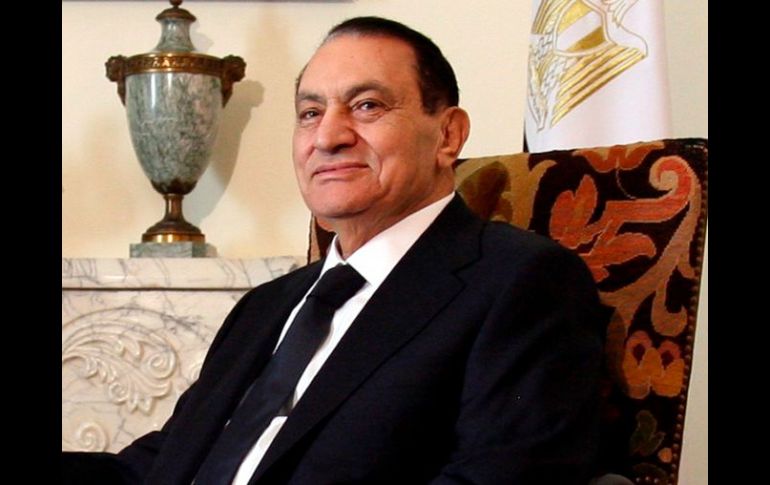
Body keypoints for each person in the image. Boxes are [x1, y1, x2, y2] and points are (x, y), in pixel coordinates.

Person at [62, 16, 605, 485]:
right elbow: (160, 465)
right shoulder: (266, 306)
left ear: (447, 135)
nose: (328, 137)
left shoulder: (521, 283)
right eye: (309, 113)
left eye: (367, 106)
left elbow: (503, 474)